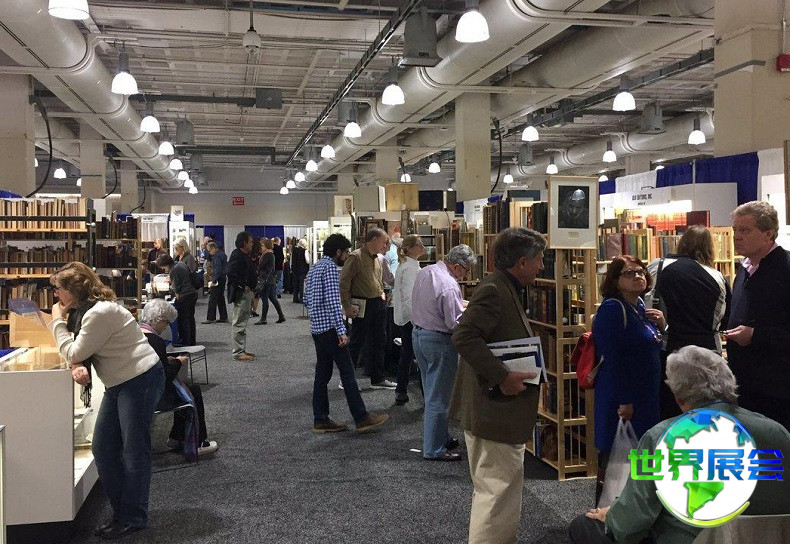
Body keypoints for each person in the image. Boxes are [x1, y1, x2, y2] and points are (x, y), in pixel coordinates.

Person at [569, 345, 790, 544]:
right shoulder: (778, 432)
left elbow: (629, 523)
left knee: (584, 526)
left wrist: (611, 515)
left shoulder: (659, 437)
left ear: (679, 398)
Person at [48, 262, 164, 539]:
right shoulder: (89, 312)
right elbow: (79, 350)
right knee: (103, 449)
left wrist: (56, 320)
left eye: (58, 289)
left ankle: (132, 517)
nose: (56, 295)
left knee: (134, 451)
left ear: (73, 290)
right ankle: (124, 512)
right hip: (121, 382)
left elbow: (74, 350)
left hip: (138, 379)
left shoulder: (97, 313)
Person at [450, 228, 545, 543]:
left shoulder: (505, 287)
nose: (542, 266)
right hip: (492, 412)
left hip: (495, 412)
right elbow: (464, 336)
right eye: (539, 259)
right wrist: (502, 376)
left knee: (498, 493)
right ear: (521, 262)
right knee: (496, 493)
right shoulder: (494, 289)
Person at [593, 255, 664, 505]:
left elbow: (651, 344)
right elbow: (612, 359)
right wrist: (624, 400)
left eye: (641, 272)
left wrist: (662, 325)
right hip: (623, 397)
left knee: (641, 457)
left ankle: (637, 512)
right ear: (615, 280)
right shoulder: (612, 309)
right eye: (629, 273)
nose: (638, 276)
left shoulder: (641, 306)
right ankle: (606, 512)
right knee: (617, 459)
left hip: (646, 395)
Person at [304, 233, 390, 434]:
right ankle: (361, 417)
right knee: (348, 373)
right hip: (330, 329)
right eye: (345, 252)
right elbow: (334, 303)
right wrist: (341, 331)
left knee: (322, 375)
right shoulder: (330, 269)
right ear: (338, 252)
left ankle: (320, 419)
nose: (346, 256)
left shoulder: (315, 268)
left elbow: (307, 299)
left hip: (317, 328)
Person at [647, 225, 730, 419]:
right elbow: (725, 319)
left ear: (681, 243)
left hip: (669, 349)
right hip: (709, 351)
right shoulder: (717, 276)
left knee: (670, 411)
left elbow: (647, 303)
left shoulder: (658, 266)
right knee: (705, 411)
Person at [725, 200, 790, 431]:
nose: (736, 237)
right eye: (735, 230)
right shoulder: (744, 270)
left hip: (778, 392)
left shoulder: (785, 269)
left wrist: (755, 335)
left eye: (744, 230)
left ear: (768, 234)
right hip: (745, 387)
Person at [412, 244, 476, 462]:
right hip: (438, 340)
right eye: (466, 270)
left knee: (430, 391)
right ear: (457, 266)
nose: (465, 275)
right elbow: (454, 322)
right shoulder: (449, 285)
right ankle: (434, 448)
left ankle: (440, 437)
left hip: (418, 335)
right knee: (439, 397)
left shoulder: (426, 271)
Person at [139, 299, 218, 457]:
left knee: (185, 388)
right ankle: (199, 441)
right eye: (166, 323)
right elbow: (165, 376)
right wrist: (177, 362)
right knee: (191, 390)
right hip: (154, 397)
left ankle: (177, 436)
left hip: (139, 393)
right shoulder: (156, 342)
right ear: (159, 320)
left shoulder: (136, 336)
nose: (166, 327)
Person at [340, 227, 396, 389]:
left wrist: (384, 293)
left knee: (380, 340)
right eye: (384, 242)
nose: (385, 245)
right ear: (374, 240)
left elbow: (379, 280)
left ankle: (377, 378)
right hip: (362, 304)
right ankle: (346, 379)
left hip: (378, 303)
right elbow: (344, 283)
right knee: (357, 342)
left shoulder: (378, 258)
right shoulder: (356, 257)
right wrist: (347, 306)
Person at [392, 234, 425, 405]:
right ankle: (423, 394)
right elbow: (410, 297)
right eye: (419, 245)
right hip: (411, 319)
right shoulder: (410, 268)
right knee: (418, 356)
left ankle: (401, 391)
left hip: (405, 318)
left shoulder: (407, 265)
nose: (423, 248)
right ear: (410, 248)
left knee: (407, 354)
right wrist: (416, 320)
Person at [227, 231, 257, 361]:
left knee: (242, 322)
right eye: (250, 241)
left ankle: (241, 349)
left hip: (247, 293)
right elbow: (230, 271)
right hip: (241, 294)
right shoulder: (237, 255)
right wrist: (242, 285)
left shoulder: (243, 254)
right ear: (244, 242)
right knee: (239, 322)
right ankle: (238, 352)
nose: (252, 244)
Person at [156, 253, 197, 347]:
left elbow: (176, 288)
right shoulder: (180, 263)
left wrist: (171, 284)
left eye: (162, 267)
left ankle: (185, 341)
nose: (163, 269)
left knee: (183, 320)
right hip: (192, 293)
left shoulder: (174, 270)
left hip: (185, 295)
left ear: (166, 264)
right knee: (190, 318)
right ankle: (191, 341)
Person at [255, 238, 286, 325]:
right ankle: (281, 316)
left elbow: (261, 266)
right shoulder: (271, 254)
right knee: (272, 298)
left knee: (265, 298)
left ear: (266, 246)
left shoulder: (267, 255)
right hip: (271, 279)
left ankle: (263, 319)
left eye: (263, 245)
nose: (261, 247)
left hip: (266, 279)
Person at [202, 241, 228, 324]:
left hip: (217, 279)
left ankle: (211, 318)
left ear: (213, 248)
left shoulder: (216, 256)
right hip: (222, 278)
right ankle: (223, 317)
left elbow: (217, 269)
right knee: (220, 298)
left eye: (209, 250)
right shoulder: (223, 254)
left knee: (212, 299)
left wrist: (214, 281)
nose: (209, 253)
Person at [291, 238, 309, 303]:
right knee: (302, 285)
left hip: (295, 269)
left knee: (295, 284)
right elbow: (307, 261)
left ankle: (295, 298)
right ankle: (302, 298)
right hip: (303, 269)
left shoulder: (294, 250)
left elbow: (291, 260)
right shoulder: (305, 251)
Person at [249, 238, 262, 318]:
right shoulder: (260, 255)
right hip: (258, 275)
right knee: (256, 294)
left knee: (250, 292)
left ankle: (249, 309)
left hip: (249, 275)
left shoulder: (248, 254)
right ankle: (254, 310)